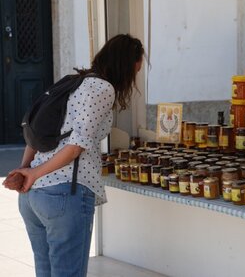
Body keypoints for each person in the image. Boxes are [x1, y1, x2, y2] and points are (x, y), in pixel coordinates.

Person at [2, 34, 144, 277]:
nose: (136, 75)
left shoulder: (75, 81)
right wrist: (31, 173)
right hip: (64, 195)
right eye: (136, 68)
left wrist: (26, 169)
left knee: (45, 272)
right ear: (126, 65)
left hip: (33, 196)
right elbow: (76, 146)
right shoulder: (103, 88)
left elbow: (38, 131)